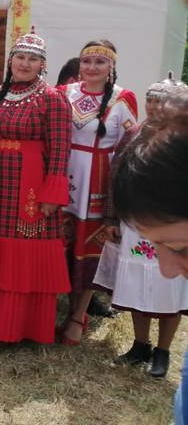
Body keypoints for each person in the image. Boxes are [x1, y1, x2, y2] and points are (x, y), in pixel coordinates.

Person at [0, 32, 72, 345]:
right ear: (11, 60)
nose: (25, 63)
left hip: (31, 186)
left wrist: (53, 194)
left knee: (25, 253)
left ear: (42, 65)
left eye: (32, 59)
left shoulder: (52, 98)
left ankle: (20, 329)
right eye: (20, 57)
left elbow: (60, 150)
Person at [95, 75, 188, 378]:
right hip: (137, 224)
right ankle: (140, 345)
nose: (154, 105)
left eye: (162, 100)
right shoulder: (134, 133)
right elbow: (116, 177)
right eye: (151, 98)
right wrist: (112, 218)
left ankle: (162, 351)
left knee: (169, 287)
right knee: (136, 284)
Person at [59, 40, 138, 345]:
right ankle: (60, 307)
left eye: (99, 62)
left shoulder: (122, 98)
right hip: (63, 175)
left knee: (87, 249)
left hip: (98, 178)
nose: (92, 67)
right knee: (61, 245)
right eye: (87, 61)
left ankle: (78, 314)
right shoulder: (66, 92)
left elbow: (128, 146)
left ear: (111, 67)